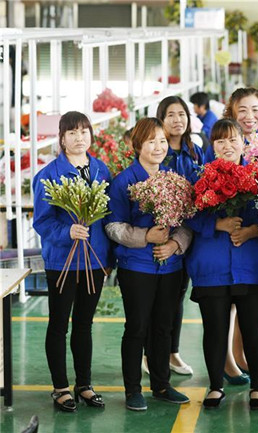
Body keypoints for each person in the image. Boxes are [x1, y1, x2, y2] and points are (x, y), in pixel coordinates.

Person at [185, 118, 258, 410]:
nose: (227, 146)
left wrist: (252, 231)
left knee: (254, 328)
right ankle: (215, 386)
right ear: (212, 145)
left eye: (233, 139)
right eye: (220, 141)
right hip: (211, 266)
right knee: (214, 329)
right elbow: (188, 215)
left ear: (244, 142)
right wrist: (218, 224)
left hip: (251, 264)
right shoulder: (199, 178)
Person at [105, 117, 192, 411]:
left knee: (164, 327)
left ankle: (162, 385)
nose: (158, 147)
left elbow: (187, 221)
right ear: (137, 145)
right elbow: (113, 226)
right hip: (136, 266)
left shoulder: (174, 178)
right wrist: (146, 236)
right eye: (151, 141)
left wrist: (174, 244)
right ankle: (133, 390)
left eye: (162, 141)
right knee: (137, 328)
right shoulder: (124, 181)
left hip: (170, 266)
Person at [33, 111, 113, 412]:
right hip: (62, 262)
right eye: (72, 132)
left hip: (94, 261)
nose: (80, 138)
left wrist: (108, 257)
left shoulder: (101, 170)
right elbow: (42, 222)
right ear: (62, 139)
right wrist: (67, 232)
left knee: (84, 324)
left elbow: (109, 218)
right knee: (58, 324)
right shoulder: (49, 175)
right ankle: (60, 388)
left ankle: (84, 384)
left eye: (84, 131)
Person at [153, 96, 204, 376]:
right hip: (158, 237)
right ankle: (150, 353)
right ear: (161, 119)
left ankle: (172, 352)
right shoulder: (156, 151)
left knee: (177, 296)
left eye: (181, 114)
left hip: (186, 237)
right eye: (170, 115)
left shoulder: (195, 152)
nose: (177, 120)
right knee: (156, 300)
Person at [205, 87, 258, 162]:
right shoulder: (219, 145)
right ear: (232, 114)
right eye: (242, 110)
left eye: (255, 110)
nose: (250, 116)